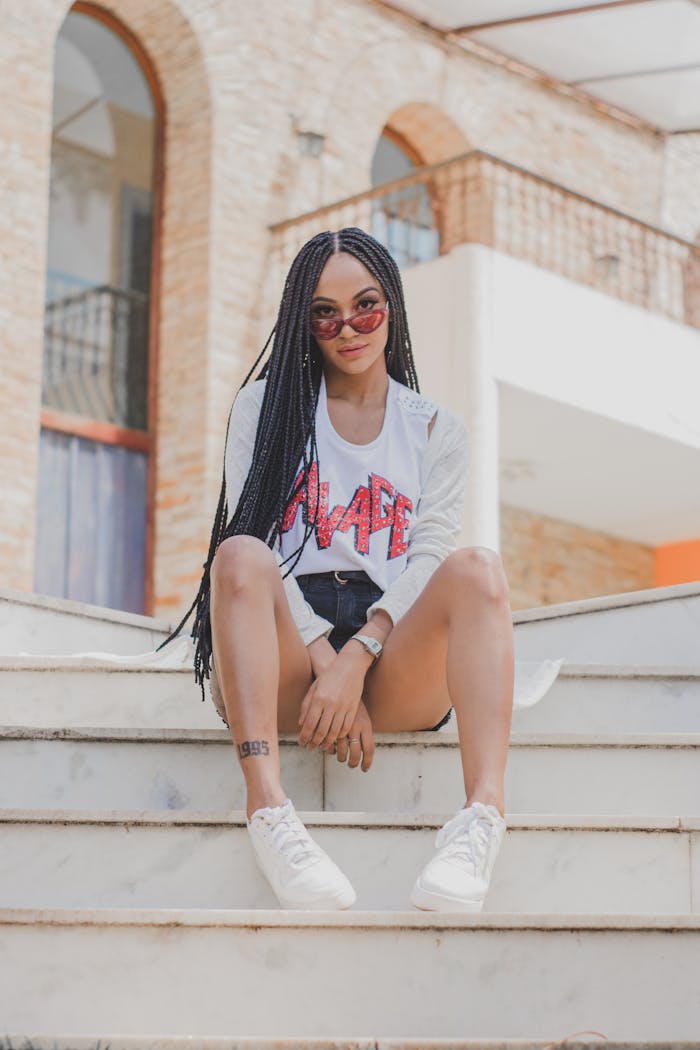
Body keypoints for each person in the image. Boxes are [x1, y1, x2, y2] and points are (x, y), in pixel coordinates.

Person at [162, 227, 514, 912]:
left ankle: (480, 823)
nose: (348, 326)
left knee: (477, 569)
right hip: (288, 657)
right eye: (325, 311)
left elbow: (428, 554)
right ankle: (268, 811)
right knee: (238, 553)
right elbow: (251, 539)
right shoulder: (264, 411)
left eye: (366, 306)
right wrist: (324, 655)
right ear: (305, 321)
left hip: (392, 652)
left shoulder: (435, 428)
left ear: (393, 308)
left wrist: (358, 657)